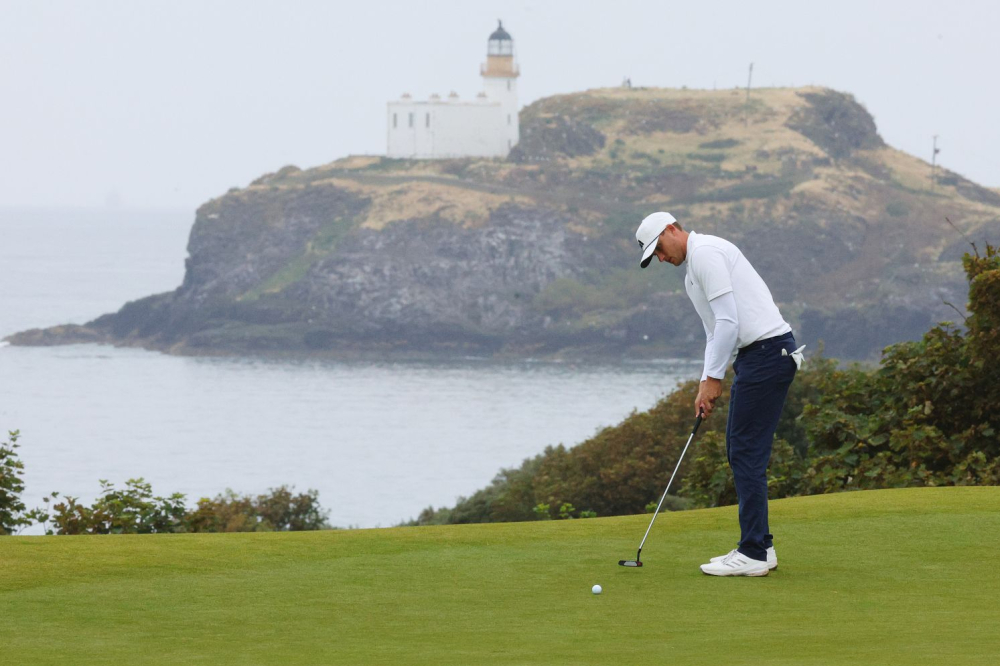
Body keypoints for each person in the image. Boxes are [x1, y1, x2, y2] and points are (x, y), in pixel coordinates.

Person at [635, 211, 805, 577]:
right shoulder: (692, 275)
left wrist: (715, 378)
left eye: (659, 249)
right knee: (740, 450)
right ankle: (761, 546)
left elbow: (730, 321)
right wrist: (704, 382)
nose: (661, 259)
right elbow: (715, 332)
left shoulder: (707, 253)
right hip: (756, 357)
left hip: (767, 353)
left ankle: (754, 551)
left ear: (671, 229)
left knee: (745, 451)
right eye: (655, 257)